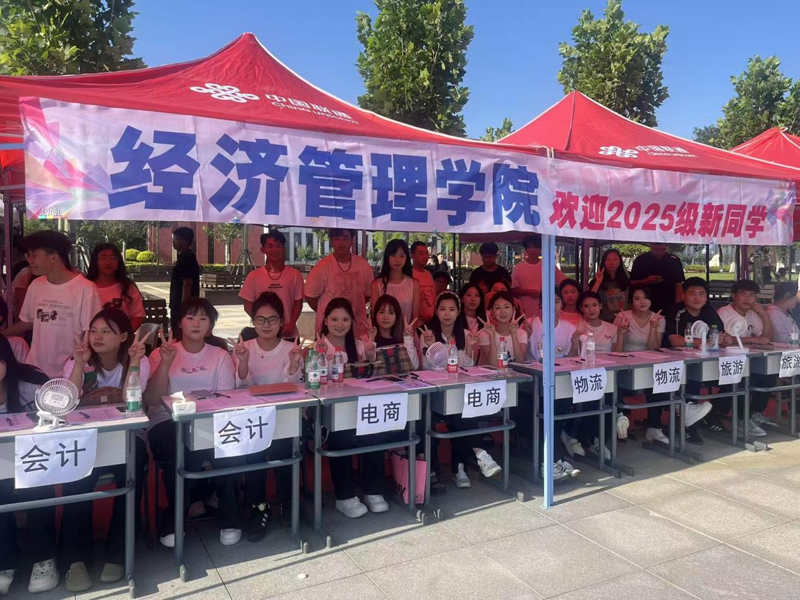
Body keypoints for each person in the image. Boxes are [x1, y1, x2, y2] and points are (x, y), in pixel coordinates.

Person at [59, 309, 150, 591]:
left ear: (123, 337)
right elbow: (66, 403)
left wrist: (135, 363)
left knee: (133, 468)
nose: (97, 337)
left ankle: (118, 553)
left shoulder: (138, 359)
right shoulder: (77, 360)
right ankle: (75, 559)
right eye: (94, 331)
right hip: (85, 439)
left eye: (106, 331)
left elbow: (132, 401)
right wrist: (78, 364)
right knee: (76, 478)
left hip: (125, 436)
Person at [144, 298, 238, 547]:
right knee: (182, 447)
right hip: (166, 422)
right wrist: (166, 363)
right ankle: (176, 519)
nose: (196, 323)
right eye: (190, 317)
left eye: (203, 318)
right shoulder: (160, 354)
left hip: (209, 421)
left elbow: (225, 400)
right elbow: (151, 400)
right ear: (179, 323)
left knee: (230, 446)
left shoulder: (220, 355)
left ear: (210, 327)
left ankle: (230, 517)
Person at [231, 293, 304, 539]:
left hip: (284, 416)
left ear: (281, 322)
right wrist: (242, 362)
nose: (266, 325)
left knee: (286, 445)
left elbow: (293, 385)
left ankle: (288, 501)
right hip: (253, 418)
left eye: (272, 319)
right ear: (253, 322)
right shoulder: (244, 348)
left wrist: (293, 364)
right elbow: (239, 387)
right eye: (260, 319)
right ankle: (257, 507)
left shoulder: (291, 349)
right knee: (254, 449)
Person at [419, 291, 500, 488]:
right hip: (435, 395)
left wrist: (470, 347)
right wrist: (431, 346)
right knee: (461, 414)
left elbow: (466, 368)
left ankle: (460, 468)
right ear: (436, 312)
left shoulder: (465, 334)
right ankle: (477, 455)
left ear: (458, 312)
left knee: (462, 413)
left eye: (452, 309)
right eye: (443, 309)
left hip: (458, 393)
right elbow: (426, 368)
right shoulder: (428, 334)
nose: (447, 314)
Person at [315, 299, 386, 518]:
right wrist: (317, 358)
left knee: (376, 429)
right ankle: (344, 495)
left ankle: (373, 491)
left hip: (359, 409)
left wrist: (371, 357)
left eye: (345, 319)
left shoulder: (360, 346)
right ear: (326, 321)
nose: (340, 324)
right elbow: (310, 385)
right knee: (341, 435)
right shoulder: (318, 347)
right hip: (330, 413)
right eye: (334, 319)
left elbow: (372, 380)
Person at [1, 230, 101, 379]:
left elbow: (91, 332)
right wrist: (3, 334)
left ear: (54, 256)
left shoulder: (85, 288)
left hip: (70, 372)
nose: (29, 260)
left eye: (34, 255)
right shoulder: (36, 285)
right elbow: (27, 321)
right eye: (28, 255)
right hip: (36, 371)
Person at [0, 336, 51, 594]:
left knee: (38, 483)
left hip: (34, 458)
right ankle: (4, 561)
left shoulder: (31, 383)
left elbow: (58, 419)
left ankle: (44, 558)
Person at [663, 277, 731, 444]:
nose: (697, 298)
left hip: (705, 359)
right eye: (692, 293)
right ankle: (686, 424)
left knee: (733, 377)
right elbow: (675, 340)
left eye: (701, 294)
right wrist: (704, 342)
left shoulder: (709, 311)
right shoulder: (676, 311)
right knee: (692, 375)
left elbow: (720, 335)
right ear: (683, 295)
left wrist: (725, 339)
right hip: (676, 361)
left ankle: (712, 415)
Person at [527, 289, 580, 479]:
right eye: (548, 300)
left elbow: (572, 359)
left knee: (562, 405)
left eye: (556, 301)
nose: (552, 305)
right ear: (540, 304)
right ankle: (556, 459)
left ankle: (556, 457)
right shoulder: (530, 325)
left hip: (560, 381)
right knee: (543, 410)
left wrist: (575, 343)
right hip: (534, 382)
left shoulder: (569, 327)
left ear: (562, 304)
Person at [717, 280, 775, 436]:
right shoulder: (724, 312)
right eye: (743, 294)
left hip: (749, 361)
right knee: (743, 379)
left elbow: (767, 338)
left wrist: (764, 316)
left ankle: (754, 413)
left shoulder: (752, 314)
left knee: (769, 374)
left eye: (752, 295)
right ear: (734, 295)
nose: (747, 299)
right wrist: (752, 339)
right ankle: (741, 419)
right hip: (724, 362)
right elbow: (724, 340)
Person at [616, 285, 669, 444]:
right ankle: (619, 420)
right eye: (637, 298)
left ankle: (654, 427)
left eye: (645, 297)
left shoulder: (659, 318)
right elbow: (617, 350)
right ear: (631, 301)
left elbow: (654, 348)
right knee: (615, 384)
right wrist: (622, 331)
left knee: (658, 381)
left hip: (648, 362)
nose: (642, 302)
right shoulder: (622, 316)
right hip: (625, 362)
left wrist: (653, 328)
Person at [305, 228, 373, 339]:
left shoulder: (363, 265)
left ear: (351, 241)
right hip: (328, 332)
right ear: (331, 241)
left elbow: (367, 294)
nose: (341, 243)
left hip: (357, 330)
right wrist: (329, 312)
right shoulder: (321, 267)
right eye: (337, 239)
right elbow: (310, 296)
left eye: (345, 238)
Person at [239, 230, 304, 339]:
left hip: (288, 334)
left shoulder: (295, 275)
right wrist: (262, 323)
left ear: (284, 249)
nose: (274, 250)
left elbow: (298, 303)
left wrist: (291, 324)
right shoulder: (253, 276)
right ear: (263, 249)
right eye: (270, 246)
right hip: (263, 334)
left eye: (278, 246)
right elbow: (247, 305)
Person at [86, 243, 146, 330]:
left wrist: (123, 335)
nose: (108, 262)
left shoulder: (127, 287)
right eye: (103, 258)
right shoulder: (85, 287)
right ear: (95, 261)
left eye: (113, 258)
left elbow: (138, 315)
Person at [511, 234, 566, 318]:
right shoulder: (518, 268)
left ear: (541, 248)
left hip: (547, 308)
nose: (533, 250)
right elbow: (514, 289)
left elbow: (564, 282)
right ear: (525, 249)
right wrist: (528, 292)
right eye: (530, 247)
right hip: (525, 310)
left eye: (536, 247)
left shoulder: (548, 265)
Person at [370, 239, 420, 325]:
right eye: (393, 255)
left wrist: (408, 332)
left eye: (402, 256)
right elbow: (375, 315)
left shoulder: (414, 284)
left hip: (407, 332)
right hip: (383, 332)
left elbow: (415, 316)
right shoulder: (376, 285)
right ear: (387, 257)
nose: (397, 260)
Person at [630, 243, 685, 315]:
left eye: (662, 249)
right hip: (646, 302)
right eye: (656, 250)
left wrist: (677, 306)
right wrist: (645, 281)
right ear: (651, 246)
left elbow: (678, 285)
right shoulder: (641, 260)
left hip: (668, 302)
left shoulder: (674, 260)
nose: (659, 252)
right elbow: (632, 282)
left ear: (666, 246)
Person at [477, 291, 527, 365]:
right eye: (498, 308)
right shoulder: (485, 334)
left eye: (506, 307)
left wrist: (514, 335)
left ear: (513, 310)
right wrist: (492, 336)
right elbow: (493, 364)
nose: (502, 312)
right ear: (492, 312)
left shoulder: (521, 333)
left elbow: (520, 362)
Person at [371, 295, 420, 370]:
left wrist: (408, 338)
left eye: (391, 313)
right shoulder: (367, 340)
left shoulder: (403, 340)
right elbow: (367, 369)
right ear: (375, 315)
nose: (386, 317)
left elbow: (414, 366)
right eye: (381, 312)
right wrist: (371, 341)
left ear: (396, 316)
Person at [169, 227, 200, 332]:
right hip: (177, 304)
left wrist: (184, 306)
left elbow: (187, 283)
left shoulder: (187, 257)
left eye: (175, 239)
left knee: (180, 333)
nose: (173, 242)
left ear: (186, 241)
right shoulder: (183, 257)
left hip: (182, 306)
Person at [589, 248, 630, 322]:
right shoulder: (596, 282)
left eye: (615, 259)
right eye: (608, 259)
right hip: (604, 322)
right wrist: (598, 282)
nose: (611, 262)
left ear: (620, 262)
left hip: (624, 321)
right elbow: (589, 299)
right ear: (604, 262)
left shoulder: (627, 281)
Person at [410, 241, 436, 324]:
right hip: (415, 324)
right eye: (421, 253)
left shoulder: (429, 274)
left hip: (430, 322)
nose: (425, 256)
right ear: (412, 256)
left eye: (426, 253)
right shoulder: (408, 275)